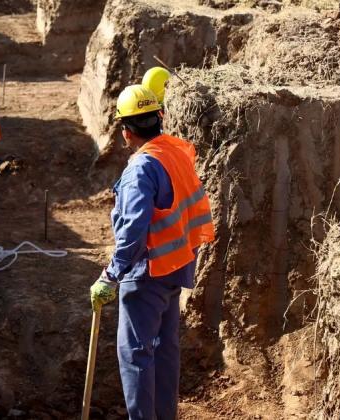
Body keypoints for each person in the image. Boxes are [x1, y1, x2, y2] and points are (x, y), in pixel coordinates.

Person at [89, 85, 215, 420]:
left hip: (148, 272)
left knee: (135, 353)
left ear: (126, 130)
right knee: (164, 350)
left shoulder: (140, 169)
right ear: (159, 118)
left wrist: (111, 274)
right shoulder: (174, 151)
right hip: (176, 266)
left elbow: (132, 230)